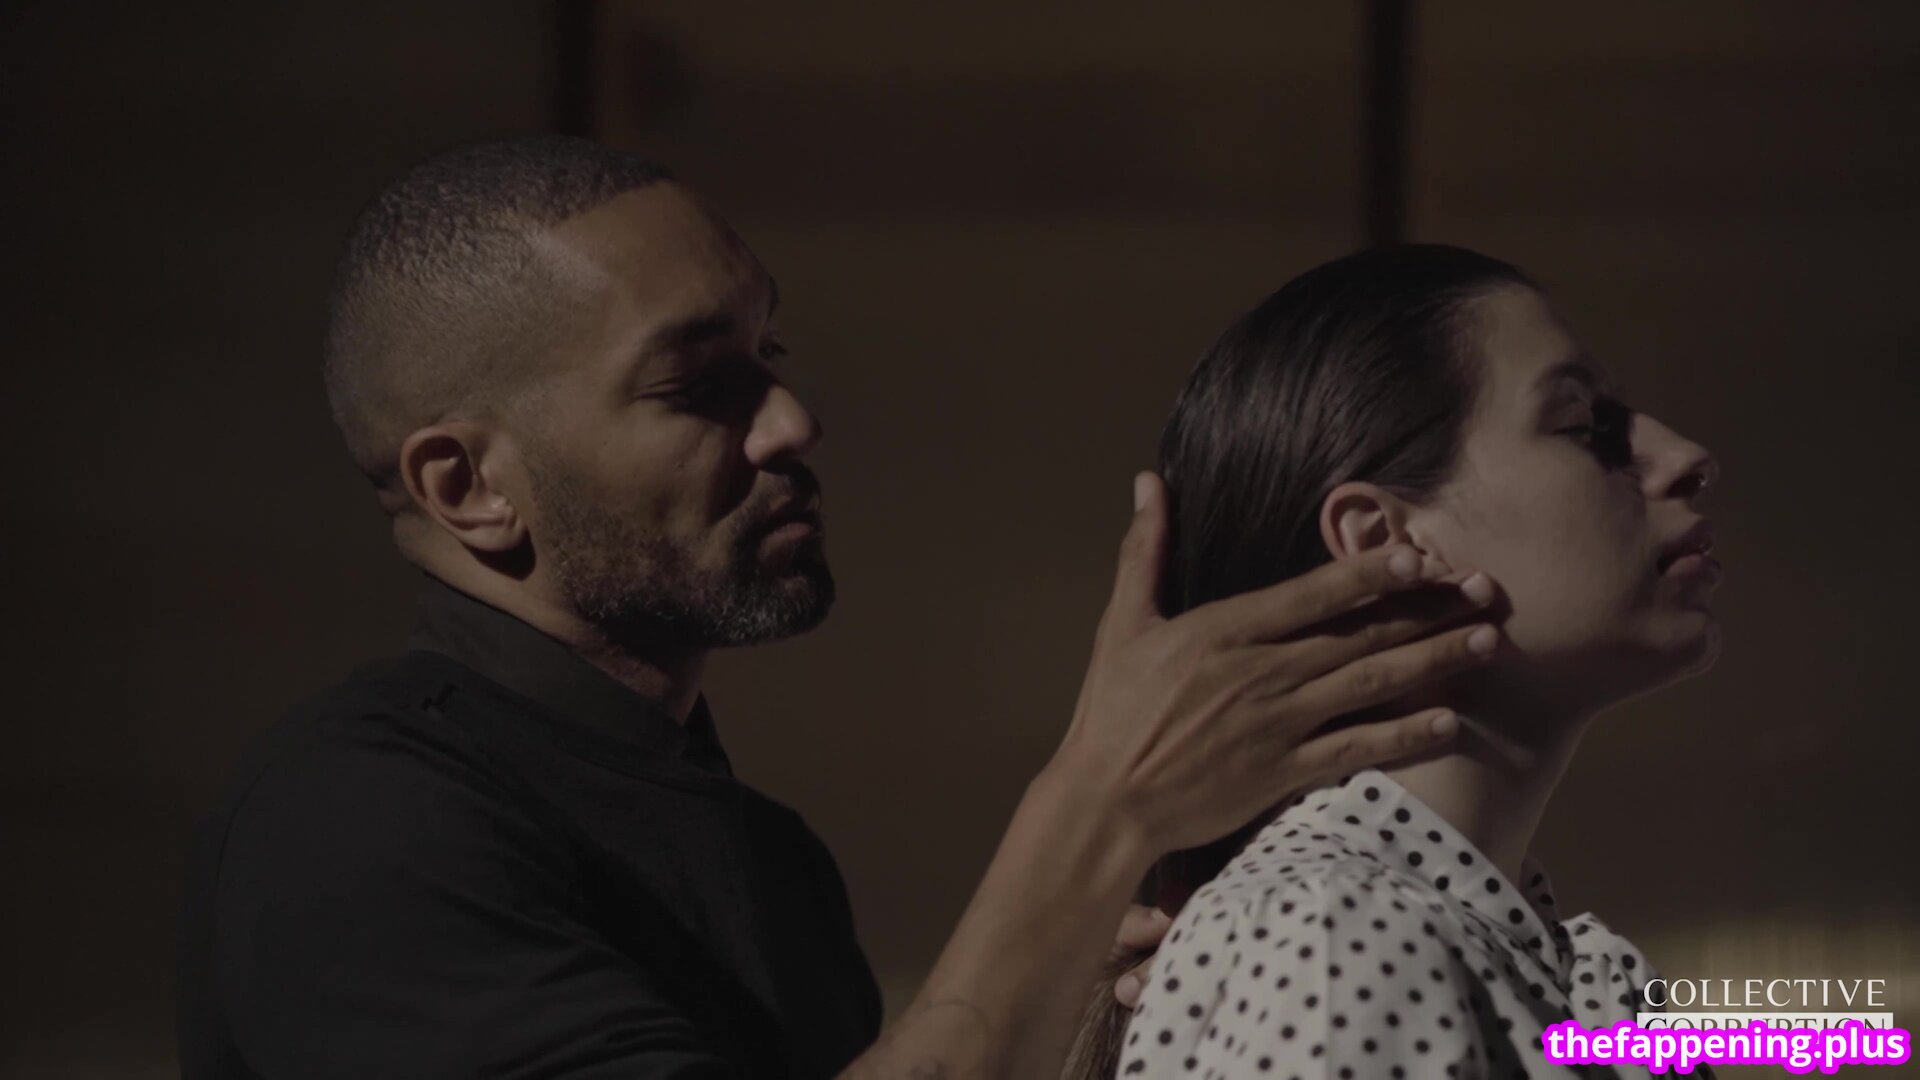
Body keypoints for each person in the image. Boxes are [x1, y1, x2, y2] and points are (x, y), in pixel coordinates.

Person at [174, 137, 1504, 1080]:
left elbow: (1598, 1025)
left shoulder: (769, 859)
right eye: (699, 386)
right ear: (466, 486)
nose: (793, 423)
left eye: (773, 356)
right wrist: (1100, 807)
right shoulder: (352, 822)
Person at [1078, 245, 1723, 1079]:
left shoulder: (1587, 986)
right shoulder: (1335, 935)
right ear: (1387, 542)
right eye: (1582, 426)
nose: (1687, 457)